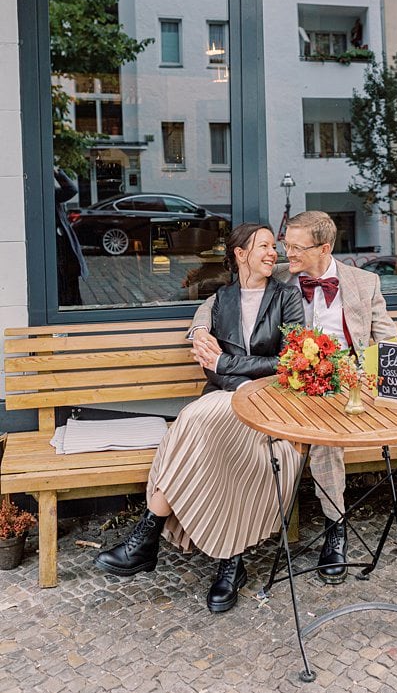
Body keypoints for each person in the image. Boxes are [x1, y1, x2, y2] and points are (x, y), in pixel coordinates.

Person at [189, 211, 397, 582]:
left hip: (361, 380)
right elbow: (219, 301)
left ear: (324, 247)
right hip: (309, 385)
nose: (286, 252)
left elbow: (387, 337)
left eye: (295, 246)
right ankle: (335, 528)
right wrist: (199, 331)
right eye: (285, 243)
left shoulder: (363, 283)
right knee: (325, 439)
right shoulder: (281, 278)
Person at [94, 223, 304, 613]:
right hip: (225, 399)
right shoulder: (220, 300)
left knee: (193, 419)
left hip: (270, 406)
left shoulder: (288, 297)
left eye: (274, 247)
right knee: (214, 438)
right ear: (240, 254)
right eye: (264, 246)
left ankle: (147, 535)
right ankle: (231, 563)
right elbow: (210, 366)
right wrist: (234, 375)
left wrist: (232, 367)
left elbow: (290, 361)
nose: (273, 252)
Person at [53, 167, 88, 306]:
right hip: (54, 244)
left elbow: (71, 190)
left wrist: (57, 173)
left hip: (62, 243)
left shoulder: (51, 192)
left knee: (69, 277)